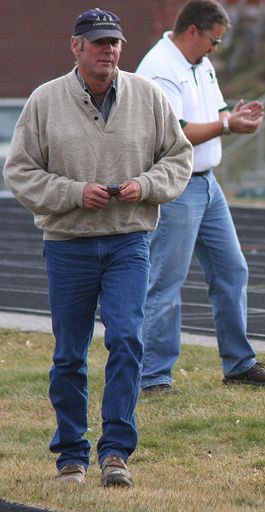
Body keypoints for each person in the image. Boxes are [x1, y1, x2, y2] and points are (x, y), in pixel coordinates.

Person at [3, 8, 193, 487]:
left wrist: (146, 186)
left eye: (115, 42)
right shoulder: (45, 101)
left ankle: (115, 453)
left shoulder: (147, 96)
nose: (109, 50)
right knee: (69, 353)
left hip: (129, 240)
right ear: (76, 47)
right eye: (99, 42)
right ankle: (71, 453)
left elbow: (179, 155)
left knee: (128, 338)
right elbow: (20, 171)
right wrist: (72, 193)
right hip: (68, 245)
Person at [135, 0, 265, 393]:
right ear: (192, 31)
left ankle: (239, 363)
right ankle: (152, 374)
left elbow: (217, 110)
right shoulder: (159, 69)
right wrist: (226, 124)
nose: (215, 48)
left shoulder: (200, 63)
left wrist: (234, 118)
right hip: (176, 185)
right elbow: (175, 132)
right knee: (166, 281)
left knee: (232, 270)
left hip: (206, 183)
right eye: (214, 40)